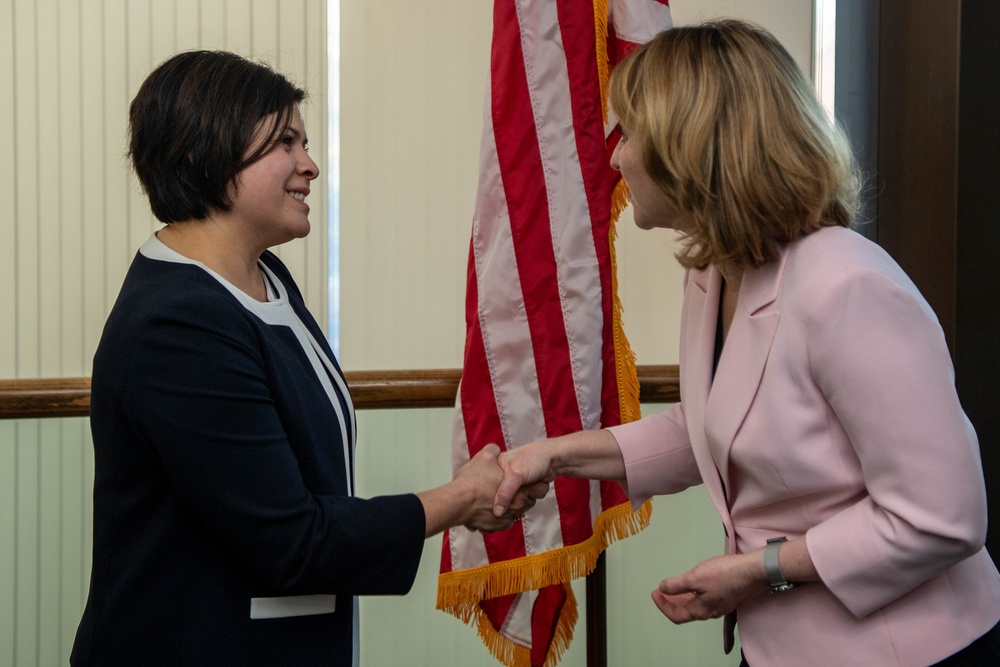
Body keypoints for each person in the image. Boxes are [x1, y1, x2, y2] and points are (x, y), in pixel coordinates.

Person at [492, 19, 1000, 667]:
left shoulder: (847, 285)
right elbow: (711, 426)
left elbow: (942, 516)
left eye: (631, 133)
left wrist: (759, 570)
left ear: (691, 147)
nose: (614, 154)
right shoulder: (714, 273)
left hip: (912, 650)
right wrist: (551, 456)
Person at [70, 50, 546, 667]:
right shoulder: (178, 324)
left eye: (305, 142)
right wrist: (457, 500)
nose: (310, 165)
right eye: (286, 143)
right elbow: (290, 540)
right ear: (199, 153)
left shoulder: (263, 277)